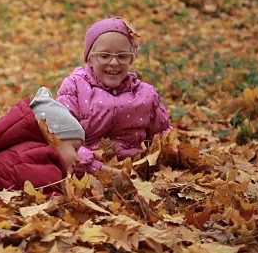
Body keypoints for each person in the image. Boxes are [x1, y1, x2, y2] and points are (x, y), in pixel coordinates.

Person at [56, 17, 172, 174]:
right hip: (84, 172)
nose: (114, 63)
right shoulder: (74, 87)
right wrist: (99, 169)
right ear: (89, 58)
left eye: (122, 56)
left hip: (134, 172)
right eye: (104, 56)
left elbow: (163, 137)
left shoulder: (145, 95)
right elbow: (62, 139)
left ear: (131, 58)